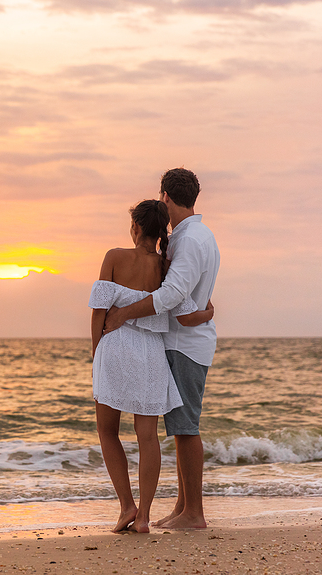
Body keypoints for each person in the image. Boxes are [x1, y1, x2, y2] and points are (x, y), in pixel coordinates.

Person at [103, 168, 220, 530]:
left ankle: (194, 513)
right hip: (186, 341)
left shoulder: (188, 240)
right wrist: (204, 312)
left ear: (166, 197)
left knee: (185, 429)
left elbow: (171, 295)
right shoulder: (199, 235)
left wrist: (124, 314)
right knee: (180, 427)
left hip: (184, 347)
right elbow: (190, 294)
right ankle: (183, 506)